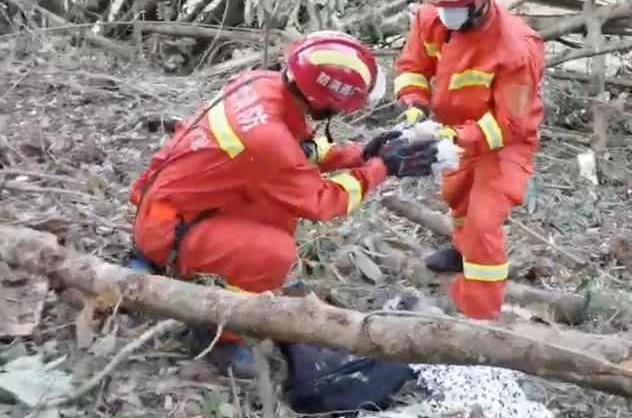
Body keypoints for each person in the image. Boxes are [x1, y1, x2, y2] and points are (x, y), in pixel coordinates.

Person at [126, 30, 438, 377]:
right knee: (276, 252)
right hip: (167, 226)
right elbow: (323, 201)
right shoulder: (267, 140)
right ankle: (222, 332)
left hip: (171, 201)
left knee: (278, 207)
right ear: (324, 100)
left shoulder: (263, 85)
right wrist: (383, 167)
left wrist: (361, 153)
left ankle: (175, 262)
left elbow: (302, 150)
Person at [391, 0, 546, 321]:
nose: (442, 5)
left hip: (503, 144)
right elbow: (412, 67)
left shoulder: (515, 48)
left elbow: (508, 124)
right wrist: (414, 107)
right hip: (456, 134)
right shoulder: (432, 18)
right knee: (458, 199)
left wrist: (455, 137)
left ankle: (479, 316)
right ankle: (462, 253)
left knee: (482, 222)